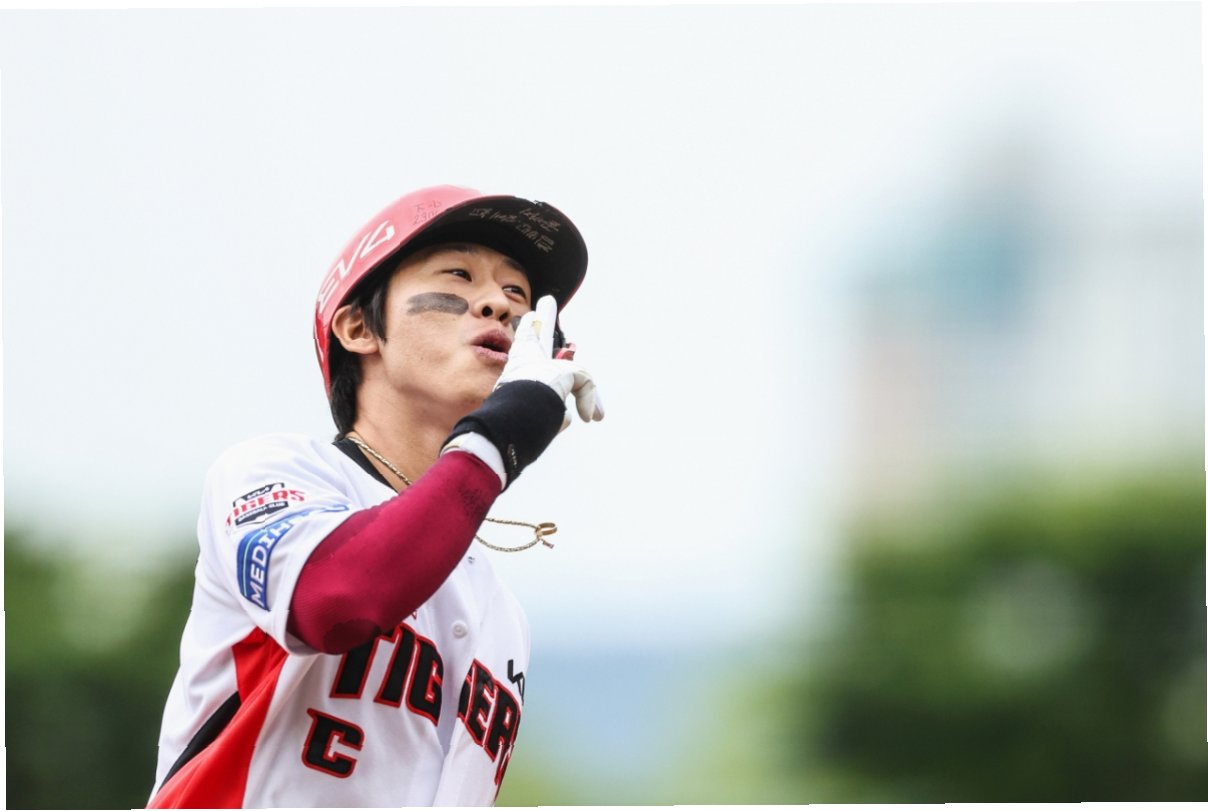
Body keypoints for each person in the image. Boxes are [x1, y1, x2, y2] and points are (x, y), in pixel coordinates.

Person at [147, 185, 603, 808]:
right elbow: (335, 602)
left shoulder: (503, 615)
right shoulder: (277, 472)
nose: (499, 303)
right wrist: (499, 440)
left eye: (518, 294)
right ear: (359, 326)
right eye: (459, 274)